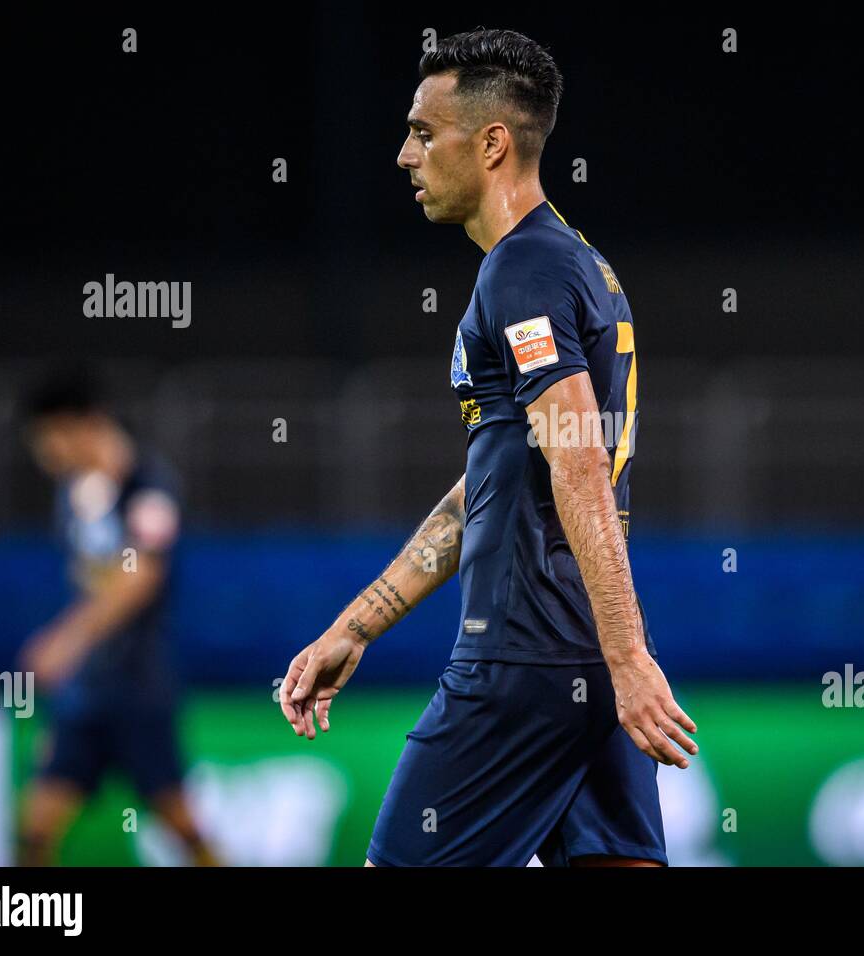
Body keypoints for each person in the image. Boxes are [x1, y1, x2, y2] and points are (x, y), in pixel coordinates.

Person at [279, 28, 697, 867]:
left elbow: (576, 454)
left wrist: (629, 658)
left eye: (424, 132)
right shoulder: (579, 264)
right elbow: (492, 485)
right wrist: (359, 625)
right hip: (581, 659)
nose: (405, 154)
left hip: (523, 658)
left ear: (494, 142)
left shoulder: (523, 270)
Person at [18, 369, 215, 866]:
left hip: (138, 690)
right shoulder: (73, 497)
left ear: (80, 425)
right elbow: (88, 587)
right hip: (85, 696)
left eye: (48, 438)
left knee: (183, 828)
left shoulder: (150, 487)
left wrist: (66, 640)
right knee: (35, 827)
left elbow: (139, 579)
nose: (45, 454)